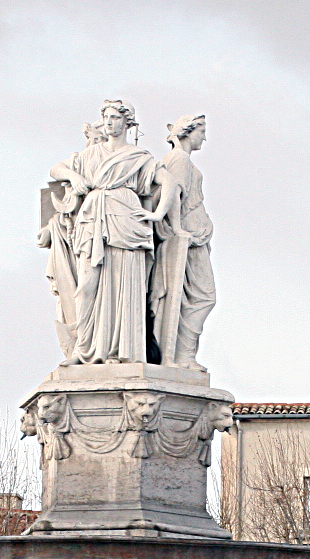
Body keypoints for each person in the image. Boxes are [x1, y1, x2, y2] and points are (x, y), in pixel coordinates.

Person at [48, 100, 176, 365]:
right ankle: (84, 351)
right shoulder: (90, 155)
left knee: (125, 287)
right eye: (106, 117)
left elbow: (169, 182)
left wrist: (157, 214)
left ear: (127, 122)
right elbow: (56, 169)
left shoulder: (138, 157)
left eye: (115, 117)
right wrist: (73, 177)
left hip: (126, 220)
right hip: (93, 219)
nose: (109, 122)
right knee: (87, 288)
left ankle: (124, 353)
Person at [152, 114, 214, 367]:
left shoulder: (182, 161)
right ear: (188, 132)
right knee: (202, 296)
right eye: (201, 131)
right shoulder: (178, 160)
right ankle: (183, 355)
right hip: (188, 238)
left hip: (195, 237)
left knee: (198, 296)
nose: (204, 137)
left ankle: (185, 354)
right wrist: (178, 229)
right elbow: (172, 194)